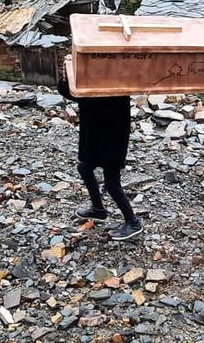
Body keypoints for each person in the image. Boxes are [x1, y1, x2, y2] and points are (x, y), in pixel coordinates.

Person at [58, 56, 142, 241]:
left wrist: (69, 76)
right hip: (96, 136)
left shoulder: (114, 82)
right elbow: (77, 94)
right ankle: (98, 209)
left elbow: (80, 95)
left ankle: (133, 222)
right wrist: (67, 75)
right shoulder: (98, 78)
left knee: (112, 184)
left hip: (112, 139)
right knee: (84, 167)